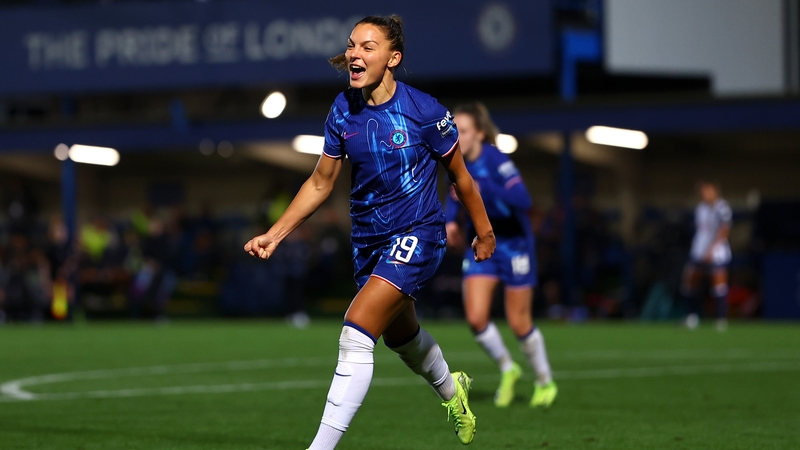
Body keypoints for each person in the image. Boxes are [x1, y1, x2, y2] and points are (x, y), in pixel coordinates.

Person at [244, 15, 495, 449]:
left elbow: (461, 178)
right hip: (369, 243)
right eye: (352, 46)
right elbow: (321, 182)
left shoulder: (424, 111)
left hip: (419, 233)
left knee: (355, 333)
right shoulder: (343, 109)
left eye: (368, 47)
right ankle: (455, 392)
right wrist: (276, 233)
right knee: (405, 339)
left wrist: (485, 232)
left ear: (392, 58)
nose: (355, 55)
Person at [445, 103, 557, 408]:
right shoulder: (455, 163)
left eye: (464, 130)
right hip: (484, 244)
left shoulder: (495, 160)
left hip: (513, 244)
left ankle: (545, 381)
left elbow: (523, 199)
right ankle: (509, 368)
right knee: (476, 318)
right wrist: (451, 221)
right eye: (454, 129)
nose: (457, 135)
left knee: (519, 323)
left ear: (480, 134)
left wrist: (485, 187)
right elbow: (454, 196)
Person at [682, 181, 732, 331]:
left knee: (718, 286)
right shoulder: (700, 208)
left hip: (717, 253)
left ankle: (720, 320)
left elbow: (724, 230)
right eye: (702, 192)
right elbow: (701, 231)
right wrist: (699, 249)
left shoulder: (722, 208)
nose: (705, 194)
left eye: (707, 191)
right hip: (698, 251)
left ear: (715, 191)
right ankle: (691, 317)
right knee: (690, 282)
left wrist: (712, 250)